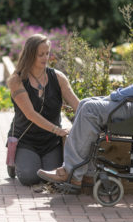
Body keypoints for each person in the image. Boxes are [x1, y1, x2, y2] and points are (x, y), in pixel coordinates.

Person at [37, 13, 133, 188]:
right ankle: (82, 172)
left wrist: (115, 95)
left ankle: (71, 172)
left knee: (90, 109)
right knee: (85, 104)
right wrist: (115, 96)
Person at [7, 33, 80, 186]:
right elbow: (30, 114)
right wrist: (57, 130)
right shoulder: (17, 80)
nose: (45, 57)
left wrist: (91, 117)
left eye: (47, 53)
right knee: (29, 178)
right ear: (30, 54)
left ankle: (30, 161)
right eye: (40, 54)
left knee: (51, 178)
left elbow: (77, 105)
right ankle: (14, 162)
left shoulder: (58, 77)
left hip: (51, 141)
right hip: (26, 139)